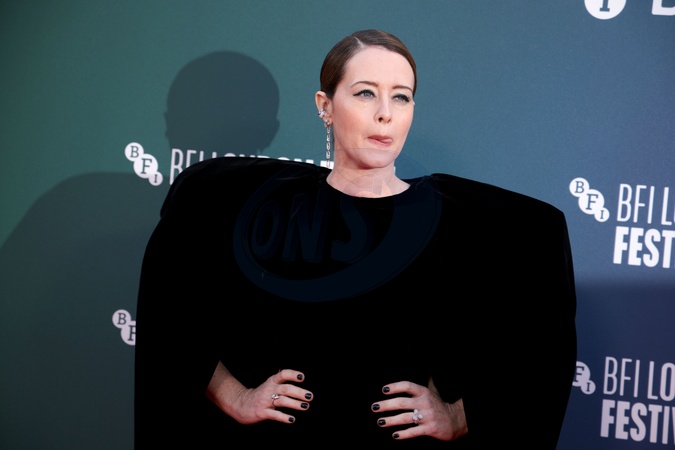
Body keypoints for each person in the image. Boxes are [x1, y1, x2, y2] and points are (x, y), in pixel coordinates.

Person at [134, 29, 577, 448]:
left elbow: (540, 350)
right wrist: (233, 394)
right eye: (366, 92)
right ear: (325, 105)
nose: (385, 112)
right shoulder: (259, 211)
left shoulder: (463, 226)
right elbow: (171, 314)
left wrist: (462, 416)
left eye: (401, 96)